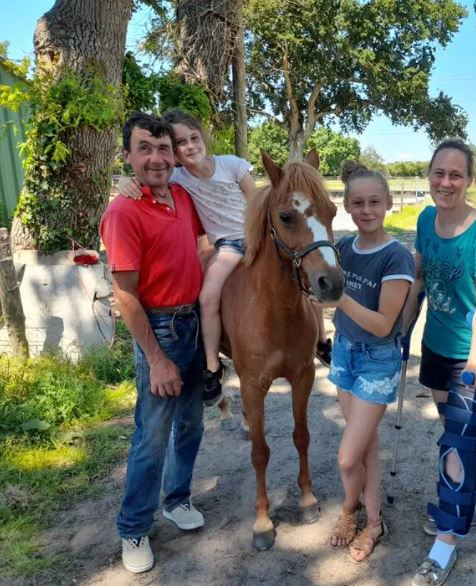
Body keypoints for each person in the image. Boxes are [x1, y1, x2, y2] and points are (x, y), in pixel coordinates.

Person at [117, 109, 332, 407]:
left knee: (301, 274)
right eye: (181, 143)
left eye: (194, 138)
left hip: (257, 237)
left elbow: (258, 199)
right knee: (207, 297)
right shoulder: (177, 176)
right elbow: (149, 175)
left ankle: (320, 341)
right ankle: (212, 366)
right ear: (175, 153)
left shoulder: (230, 164)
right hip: (229, 245)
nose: (190, 146)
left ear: (204, 138)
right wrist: (124, 183)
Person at [101, 112, 208, 574]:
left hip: (194, 323)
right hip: (160, 329)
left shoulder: (183, 196)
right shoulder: (124, 210)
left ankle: (177, 499)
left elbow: (204, 247)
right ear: (127, 156)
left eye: (164, 148)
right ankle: (133, 527)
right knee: (152, 436)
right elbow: (125, 295)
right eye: (144, 148)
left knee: (191, 425)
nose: (156, 157)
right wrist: (157, 359)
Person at [403, 138, 476, 586]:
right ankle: (459, 505)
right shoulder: (426, 218)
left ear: (470, 180)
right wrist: (402, 327)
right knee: (457, 432)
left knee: (458, 444)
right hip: (436, 346)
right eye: (438, 173)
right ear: (429, 176)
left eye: (455, 175)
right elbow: (420, 278)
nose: (445, 183)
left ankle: (446, 540)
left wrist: (475, 357)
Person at [326, 161, 414, 563]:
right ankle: (375, 520)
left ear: (389, 203)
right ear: (346, 206)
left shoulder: (396, 257)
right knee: (366, 446)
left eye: (374, 202)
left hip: (377, 361)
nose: (366, 210)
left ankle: (349, 509)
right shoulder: (343, 248)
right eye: (357, 203)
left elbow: (382, 325)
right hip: (344, 352)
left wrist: (339, 298)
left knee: (348, 457)